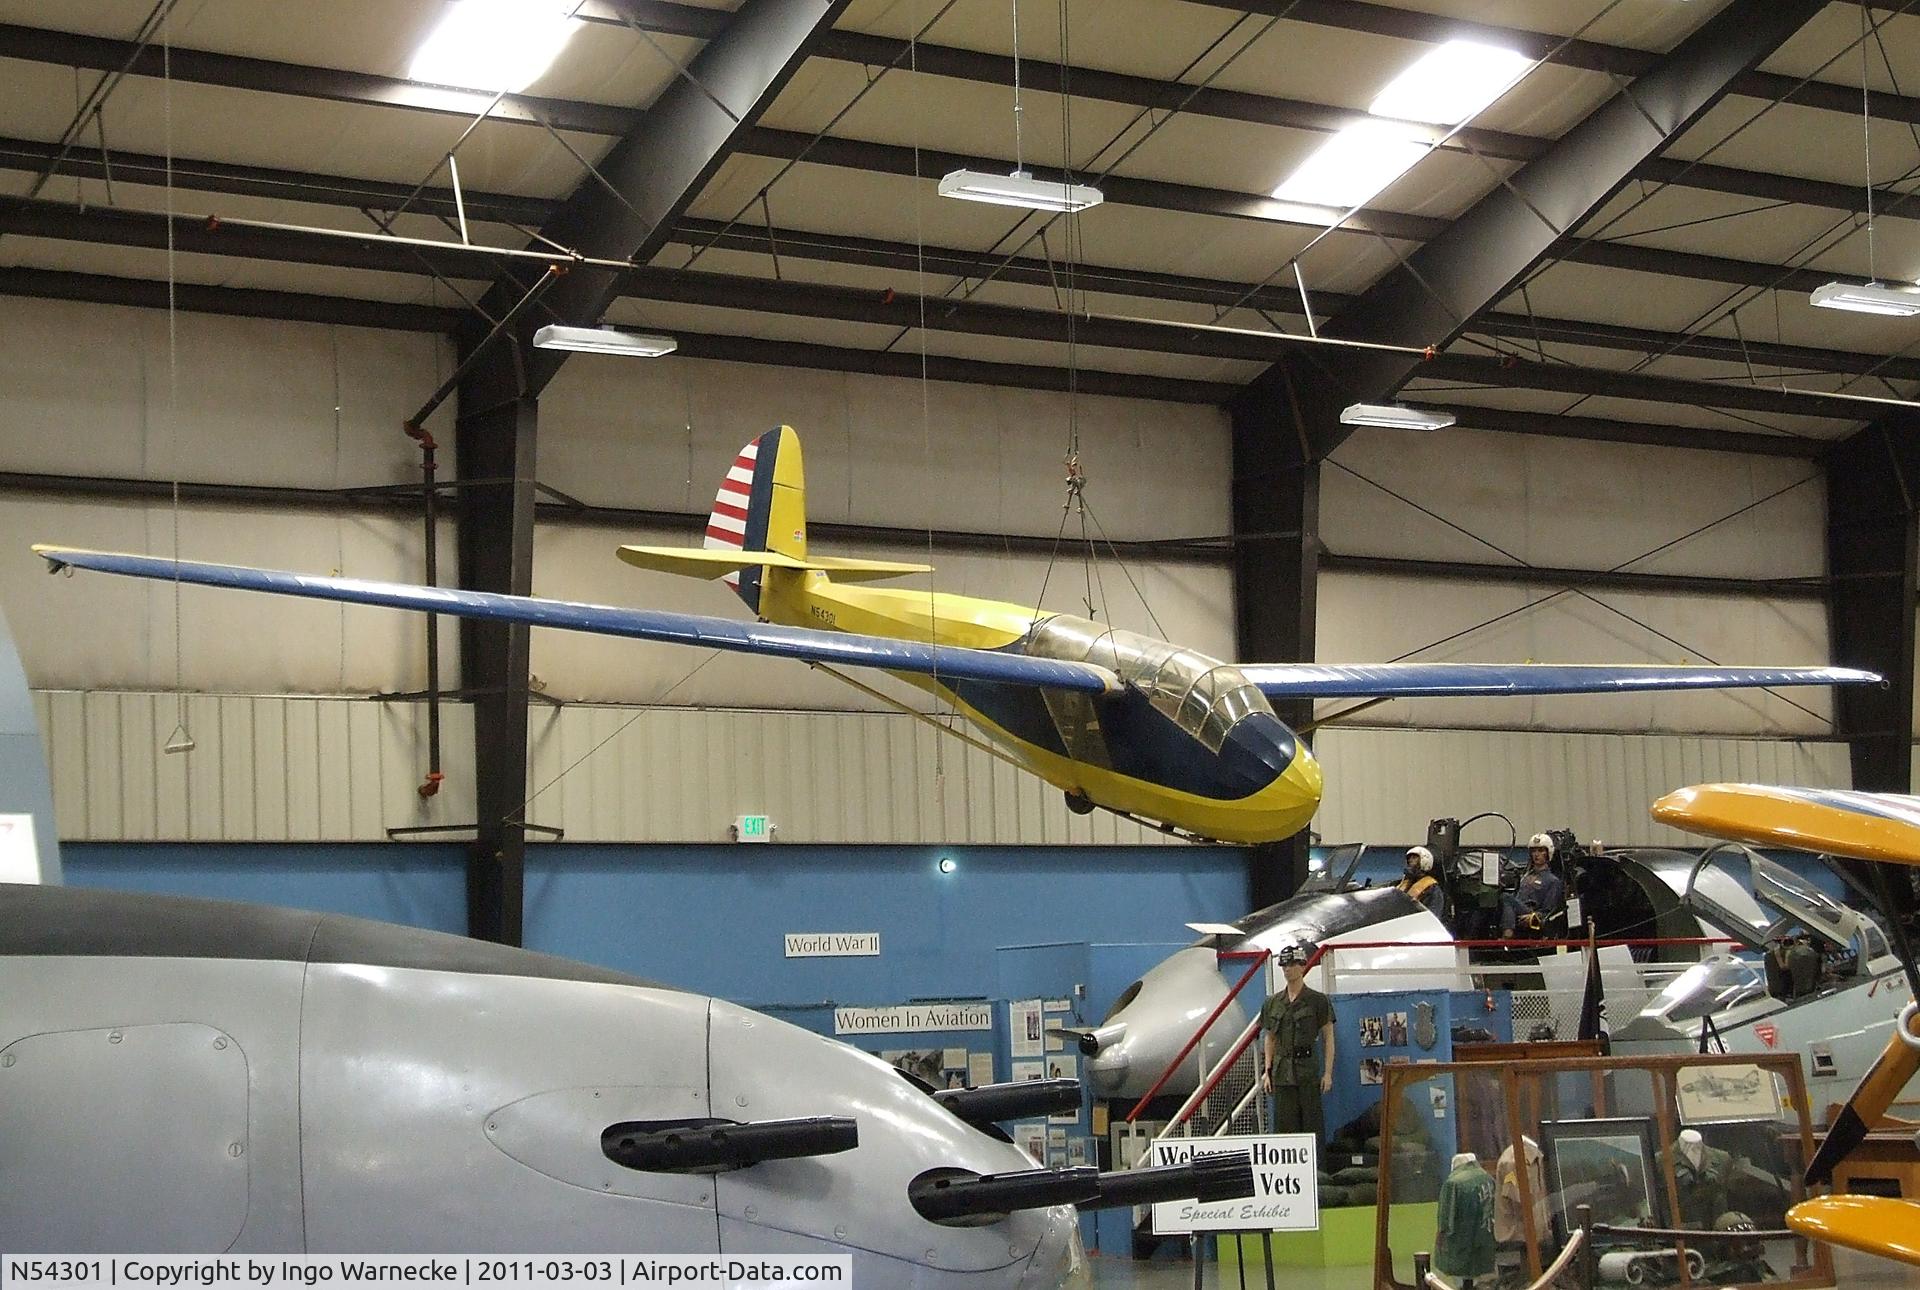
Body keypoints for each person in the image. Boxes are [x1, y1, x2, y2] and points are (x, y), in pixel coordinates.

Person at [1260, 945, 1335, 1144]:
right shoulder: (1273, 1003)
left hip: (1308, 1072)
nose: (1287, 969)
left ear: (1303, 966)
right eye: (1284, 965)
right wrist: (1267, 1071)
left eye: (1292, 964)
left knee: (1312, 1127)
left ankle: (1316, 1172)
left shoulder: (1317, 1001)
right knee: (1284, 1130)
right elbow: (1270, 1038)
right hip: (1282, 1073)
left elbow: (1328, 1038)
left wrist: (1328, 1073)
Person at [1435, 1152, 1496, 1288]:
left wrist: (1441, 1239)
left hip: (1461, 1243)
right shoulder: (1487, 1178)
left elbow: (1445, 1220)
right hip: (1485, 1238)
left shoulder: (1453, 1184)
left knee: (1462, 1275)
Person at [1510, 834, 1566, 940]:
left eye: (1541, 851)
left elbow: (1549, 910)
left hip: (1533, 915)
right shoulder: (1524, 877)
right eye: (1534, 851)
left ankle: (1507, 934)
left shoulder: (1552, 880)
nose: (1536, 854)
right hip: (1517, 913)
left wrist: (1535, 916)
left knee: (1506, 897)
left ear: (1548, 853)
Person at [1397, 846, 1448, 920]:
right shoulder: (1403, 884)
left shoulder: (1432, 888)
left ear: (1424, 861)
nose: (1410, 860)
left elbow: (1434, 917)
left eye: (1414, 858)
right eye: (1409, 858)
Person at [1785, 933, 1822, 999]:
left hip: (1799, 989)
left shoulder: (1791, 954)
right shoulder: (1810, 952)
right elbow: (1818, 969)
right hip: (1812, 987)